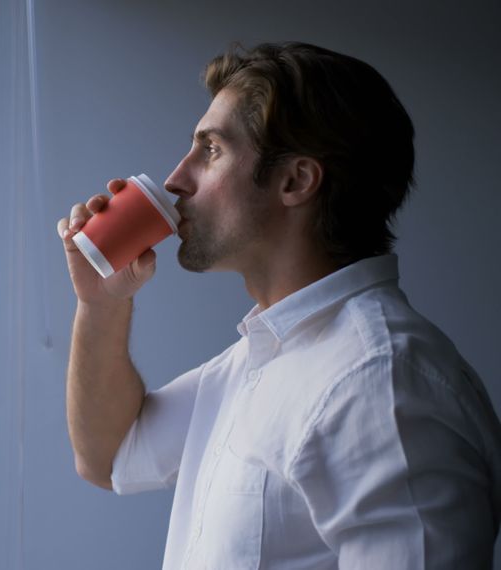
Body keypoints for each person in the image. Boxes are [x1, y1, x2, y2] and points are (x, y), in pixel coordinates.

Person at [57, 42, 501, 569]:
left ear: (295, 181)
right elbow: (108, 456)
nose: (175, 178)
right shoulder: (256, 363)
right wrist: (101, 303)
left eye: (211, 149)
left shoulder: (381, 382)